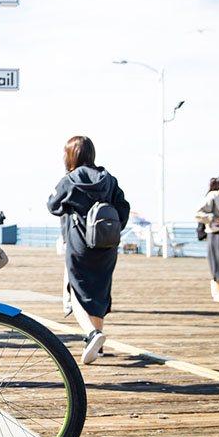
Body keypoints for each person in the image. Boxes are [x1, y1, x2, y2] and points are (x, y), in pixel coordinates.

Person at [47, 136, 129, 364]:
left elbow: (52, 205)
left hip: (80, 245)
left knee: (76, 291)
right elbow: (124, 208)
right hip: (107, 245)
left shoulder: (70, 180)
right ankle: (98, 346)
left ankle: (92, 334)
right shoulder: (109, 179)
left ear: (70, 155)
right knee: (100, 291)